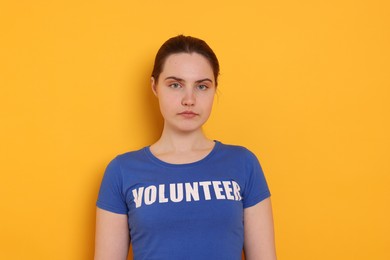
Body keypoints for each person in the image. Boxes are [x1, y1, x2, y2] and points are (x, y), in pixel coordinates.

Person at [94, 35, 277, 260]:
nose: (189, 99)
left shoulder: (244, 163)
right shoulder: (121, 171)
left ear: (214, 89)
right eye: (175, 85)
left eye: (201, 86)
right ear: (154, 86)